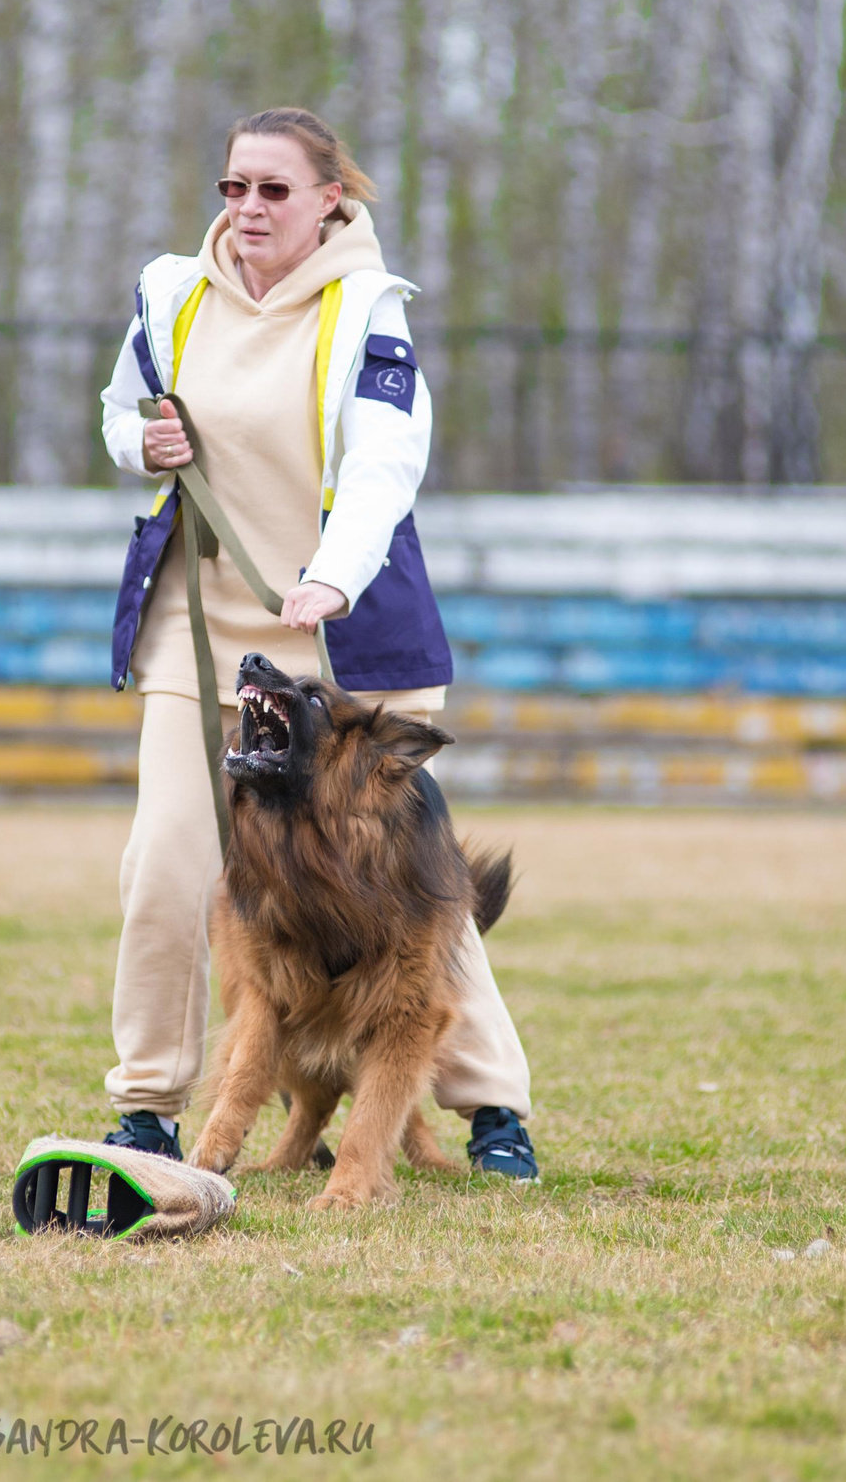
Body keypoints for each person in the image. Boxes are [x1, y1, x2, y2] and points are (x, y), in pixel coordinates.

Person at [93, 106, 537, 1180]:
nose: (246, 208)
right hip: (206, 638)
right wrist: (137, 442)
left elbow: (386, 459)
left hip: (346, 637)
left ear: (330, 198)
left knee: (418, 899)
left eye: (273, 190)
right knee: (163, 864)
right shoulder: (169, 291)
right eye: (232, 186)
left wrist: (332, 574)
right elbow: (119, 410)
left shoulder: (366, 312)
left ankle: (494, 1109)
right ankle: (148, 1105)